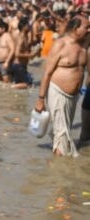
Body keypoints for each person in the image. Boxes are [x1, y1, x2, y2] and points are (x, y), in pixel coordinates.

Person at [35, 15, 89, 157]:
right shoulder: (60, 44)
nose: (89, 30)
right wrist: (40, 99)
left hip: (73, 96)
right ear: (76, 28)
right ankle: (59, 171)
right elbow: (47, 73)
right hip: (57, 92)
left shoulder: (84, 44)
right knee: (62, 135)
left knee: (64, 131)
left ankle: (56, 157)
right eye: (86, 27)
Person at [11, 18, 40, 89]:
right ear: (23, 27)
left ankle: (12, 87)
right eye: (28, 25)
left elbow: (25, 50)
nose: (29, 27)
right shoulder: (21, 38)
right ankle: (10, 88)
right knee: (28, 85)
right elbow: (17, 54)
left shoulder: (25, 36)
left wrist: (35, 52)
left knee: (21, 85)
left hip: (21, 65)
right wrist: (31, 55)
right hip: (18, 65)